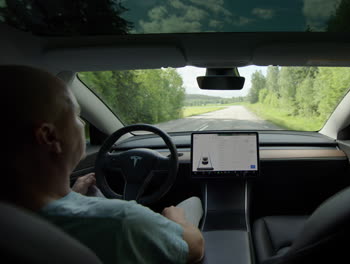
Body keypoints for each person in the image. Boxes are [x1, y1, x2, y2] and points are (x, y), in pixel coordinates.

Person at [1, 65, 204, 264]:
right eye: (77, 115)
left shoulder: (13, 223)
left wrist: (74, 195)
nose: (82, 124)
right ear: (49, 137)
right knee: (192, 202)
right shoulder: (122, 221)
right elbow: (195, 248)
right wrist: (177, 220)